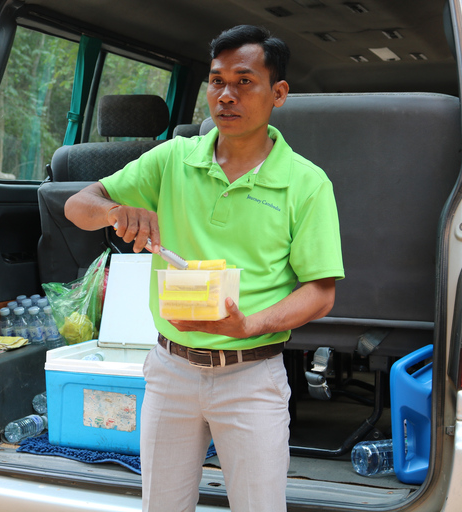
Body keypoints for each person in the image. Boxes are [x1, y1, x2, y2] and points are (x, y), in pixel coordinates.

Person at [65, 25, 344, 512]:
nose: (226, 96)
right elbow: (78, 205)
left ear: (278, 93)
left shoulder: (306, 183)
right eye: (216, 82)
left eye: (244, 81)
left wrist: (247, 325)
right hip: (170, 370)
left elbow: (321, 292)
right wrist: (115, 213)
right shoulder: (175, 158)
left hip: (251, 376)